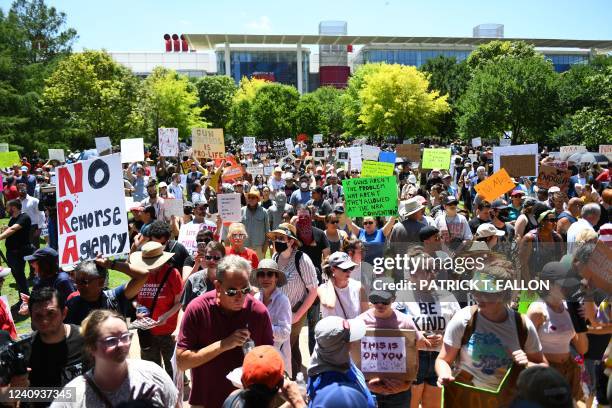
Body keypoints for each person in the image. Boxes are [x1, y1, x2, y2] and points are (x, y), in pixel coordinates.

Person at [436, 262, 546, 402]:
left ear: (503, 294)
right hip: (469, 399)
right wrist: (444, 374)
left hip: (508, 400)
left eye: (486, 292)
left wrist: (527, 364)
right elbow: (443, 360)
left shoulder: (522, 325)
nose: (477, 296)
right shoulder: (464, 319)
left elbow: (544, 367)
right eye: (475, 290)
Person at [176, 255, 274, 408]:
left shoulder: (258, 312)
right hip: (205, 400)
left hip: (247, 402)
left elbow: (270, 358)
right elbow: (181, 362)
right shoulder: (198, 309)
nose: (240, 297)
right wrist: (223, 345)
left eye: (245, 290)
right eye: (232, 291)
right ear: (218, 287)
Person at [50, 309, 178, 408]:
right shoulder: (75, 394)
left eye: (125, 337)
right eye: (111, 341)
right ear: (91, 347)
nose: (121, 344)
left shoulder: (153, 374)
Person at [394, 250, 460, 408]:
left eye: (434, 270)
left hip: (439, 359)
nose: (432, 275)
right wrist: (415, 339)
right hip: (413, 359)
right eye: (427, 270)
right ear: (413, 274)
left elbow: (459, 328)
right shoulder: (403, 297)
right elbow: (392, 329)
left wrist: (446, 339)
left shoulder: (447, 297)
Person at [359, 277, 428, 407]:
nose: (380, 305)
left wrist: (406, 385)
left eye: (385, 301)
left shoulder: (405, 322)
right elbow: (352, 358)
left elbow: (414, 355)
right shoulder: (360, 322)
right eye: (375, 300)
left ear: (394, 299)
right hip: (368, 391)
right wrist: (367, 384)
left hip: (399, 393)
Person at [526, 261, 589, 402]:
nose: (568, 289)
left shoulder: (570, 308)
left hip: (570, 371)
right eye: (563, 284)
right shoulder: (537, 310)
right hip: (546, 375)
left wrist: (581, 323)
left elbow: (582, 349)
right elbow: (525, 349)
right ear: (548, 284)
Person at [269, 223, 318, 379]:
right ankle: (296, 378)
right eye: (276, 238)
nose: (278, 241)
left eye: (281, 238)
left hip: (297, 309)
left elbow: (313, 291)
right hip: (279, 311)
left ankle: (288, 380)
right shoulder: (275, 258)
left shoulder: (302, 259)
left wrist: (298, 315)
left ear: (291, 241)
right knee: (292, 346)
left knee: (284, 345)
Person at [132, 242, 183, 379]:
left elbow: (179, 303)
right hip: (146, 331)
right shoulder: (139, 274)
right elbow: (135, 299)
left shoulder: (173, 274)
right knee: (151, 371)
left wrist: (165, 316)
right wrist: (137, 309)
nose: (151, 267)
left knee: (173, 369)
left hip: (168, 331)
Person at [307, 316, 376, 408]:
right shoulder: (333, 389)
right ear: (342, 347)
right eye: (350, 340)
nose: (355, 342)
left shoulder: (337, 358)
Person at [26, 288, 85, 390]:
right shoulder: (24, 350)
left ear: (64, 313)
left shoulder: (85, 338)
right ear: (31, 316)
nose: (44, 321)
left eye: (51, 313)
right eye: (38, 316)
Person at [65, 256, 149, 325]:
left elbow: (143, 275)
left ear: (101, 282)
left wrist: (111, 264)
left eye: (84, 282)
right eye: (76, 281)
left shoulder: (114, 298)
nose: (78, 286)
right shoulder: (71, 305)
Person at [222, 346, 307, 408]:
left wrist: (289, 405)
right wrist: (298, 402)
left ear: (243, 382)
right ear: (281, 383)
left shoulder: (232, 399)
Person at [252, 259, 292, 377]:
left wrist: (263, 327)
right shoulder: (256, 297)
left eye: (269, 274)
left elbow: (284, 333)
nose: (265, 278)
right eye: (261, 274)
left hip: (277, 356)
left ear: (276, 278)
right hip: (258, 355)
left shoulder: (282, 301)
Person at [318, 252, 368, 319]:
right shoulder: (323, 289)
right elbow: (330, 304)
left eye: (351, 267)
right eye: (345, 269)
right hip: (332, 329)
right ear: (333, 269)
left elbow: (366, 316)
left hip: (354, 328)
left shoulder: (359, 287)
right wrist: (331, 280)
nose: (349, 271)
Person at [519, 209, 565, 281]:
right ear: (542, 222)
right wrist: (529, 284)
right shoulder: (530, 238)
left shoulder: (557, 238)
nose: (555, 223)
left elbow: (561, 260)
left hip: (552, 280)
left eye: (556, 220)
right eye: (552, 220)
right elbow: (523, 263)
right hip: (533, 280)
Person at [0, 199, 33, 300]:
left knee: (20, 277)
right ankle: (23, 299)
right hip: (12, 253)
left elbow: (13, 229)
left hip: (19, 253)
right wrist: (6, 228)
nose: (6, 209)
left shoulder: (24, 217)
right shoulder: (12, 218)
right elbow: (11, 229)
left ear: (13, 207)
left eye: (7, 207)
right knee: (18, 278)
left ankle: (26, 300)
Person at [181, 241, 226, 310]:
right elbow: (184, 308)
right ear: (204, 257)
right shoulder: (193, 279)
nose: (212, 261)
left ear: (223, 259)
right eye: (208, 257)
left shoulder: (230, 280)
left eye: (216, 258)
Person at [241, 188, 270, 261]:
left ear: (257, 199)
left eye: (253, 197)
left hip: (259, 247)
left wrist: (265, 247)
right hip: (244, 246)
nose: (250, 199)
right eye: (249, 197)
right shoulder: (241, 211)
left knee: (259, 269)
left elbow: (267, 232)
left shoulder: (264, 212)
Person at [17, 182, 45, 248]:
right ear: (17, 190)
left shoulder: (34, 201)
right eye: (20, 189)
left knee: (34, 249)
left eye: (23, 188)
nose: (22, 190)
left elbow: (41, 214)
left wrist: (40, 228)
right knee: (23, 247)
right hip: (20, 228)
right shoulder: (16, 201)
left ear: (26, 189)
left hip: (33, 228)